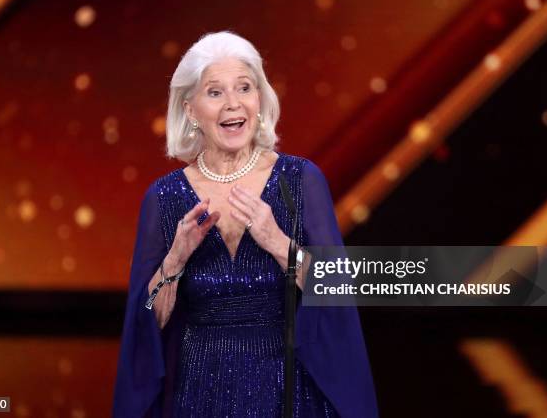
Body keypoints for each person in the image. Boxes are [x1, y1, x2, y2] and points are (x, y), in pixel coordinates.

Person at [112, 31, 378, 417]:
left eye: (244, 88)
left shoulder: (299, 181)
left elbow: (337, 291)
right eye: (215, 92)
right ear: (190, 110)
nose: (233, 104)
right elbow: (144, 328)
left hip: (288, 392)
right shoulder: (164, 198)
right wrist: (174, 261)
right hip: (199, 393)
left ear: (260, 100)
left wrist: (277, 241)